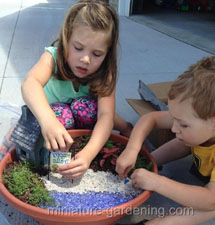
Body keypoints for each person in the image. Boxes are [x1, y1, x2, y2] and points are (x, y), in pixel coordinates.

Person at [111, 56, 215, 225]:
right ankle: (151, 164)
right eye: (174, 118)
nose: (173, 128)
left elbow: (211, 200)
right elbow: (151, 118)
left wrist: (157, 182)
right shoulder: (199, 118)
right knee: (185, 140)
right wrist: (133, 151)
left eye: (182, 124)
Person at [19, 0, 132, 178]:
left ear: (108, 53)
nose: (85, 59)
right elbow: (30, 83)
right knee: (61, 114)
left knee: (88, 107)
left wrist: (88, 154)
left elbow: (106, 115)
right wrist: (48, 121)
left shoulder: (104, 72)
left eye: (97, 54)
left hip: (82, 116)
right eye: (78, 48)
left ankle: (120, 129)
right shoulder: (52, 57)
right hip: (55, 118)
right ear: (66, 39)